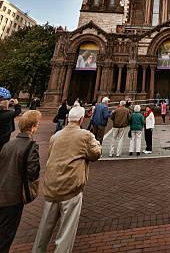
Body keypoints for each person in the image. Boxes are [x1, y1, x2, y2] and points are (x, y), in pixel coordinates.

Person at [32, 105, 101, 252]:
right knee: (67, 230)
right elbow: (95, 154)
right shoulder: (85, 136)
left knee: (45, 227)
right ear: (82, 119)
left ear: (68, 118)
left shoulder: (55, 136)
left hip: (52, 187)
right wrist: (97, 144)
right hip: (71, 187)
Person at [0, 110, 41, 252]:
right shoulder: (31, 146)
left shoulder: (7, 145)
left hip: (2, 192)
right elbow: (33, 172)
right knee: (6, 236)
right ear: (33, 127)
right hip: (14, 197)